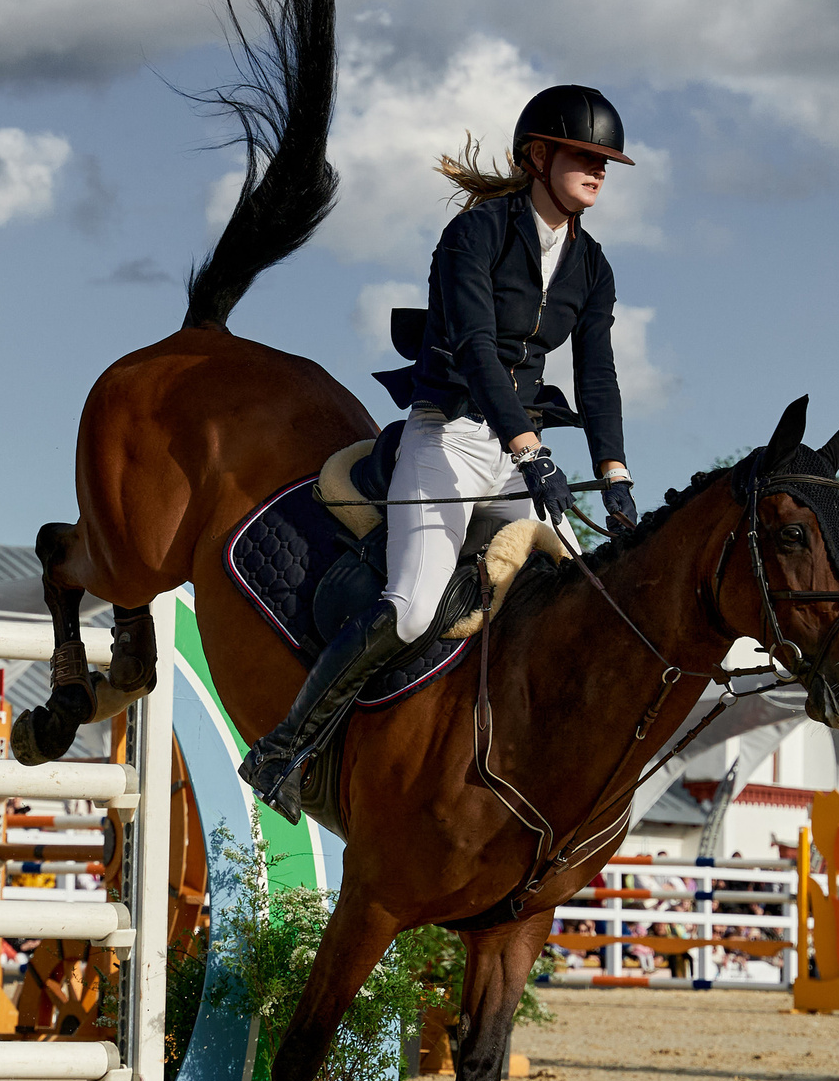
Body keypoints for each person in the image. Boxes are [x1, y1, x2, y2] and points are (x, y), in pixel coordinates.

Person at [238, 85, 642, 813]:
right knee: (413, 607)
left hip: (517, 451)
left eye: (605, 162)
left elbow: (598, 374)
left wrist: (614, 471)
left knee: (567, 593)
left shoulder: (593, 265)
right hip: (449, 436)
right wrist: (530, 451)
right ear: (538, 156)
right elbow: (477, 349)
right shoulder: (475, 235)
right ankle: (283, 750)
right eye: (585, 157)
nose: (598, 171)